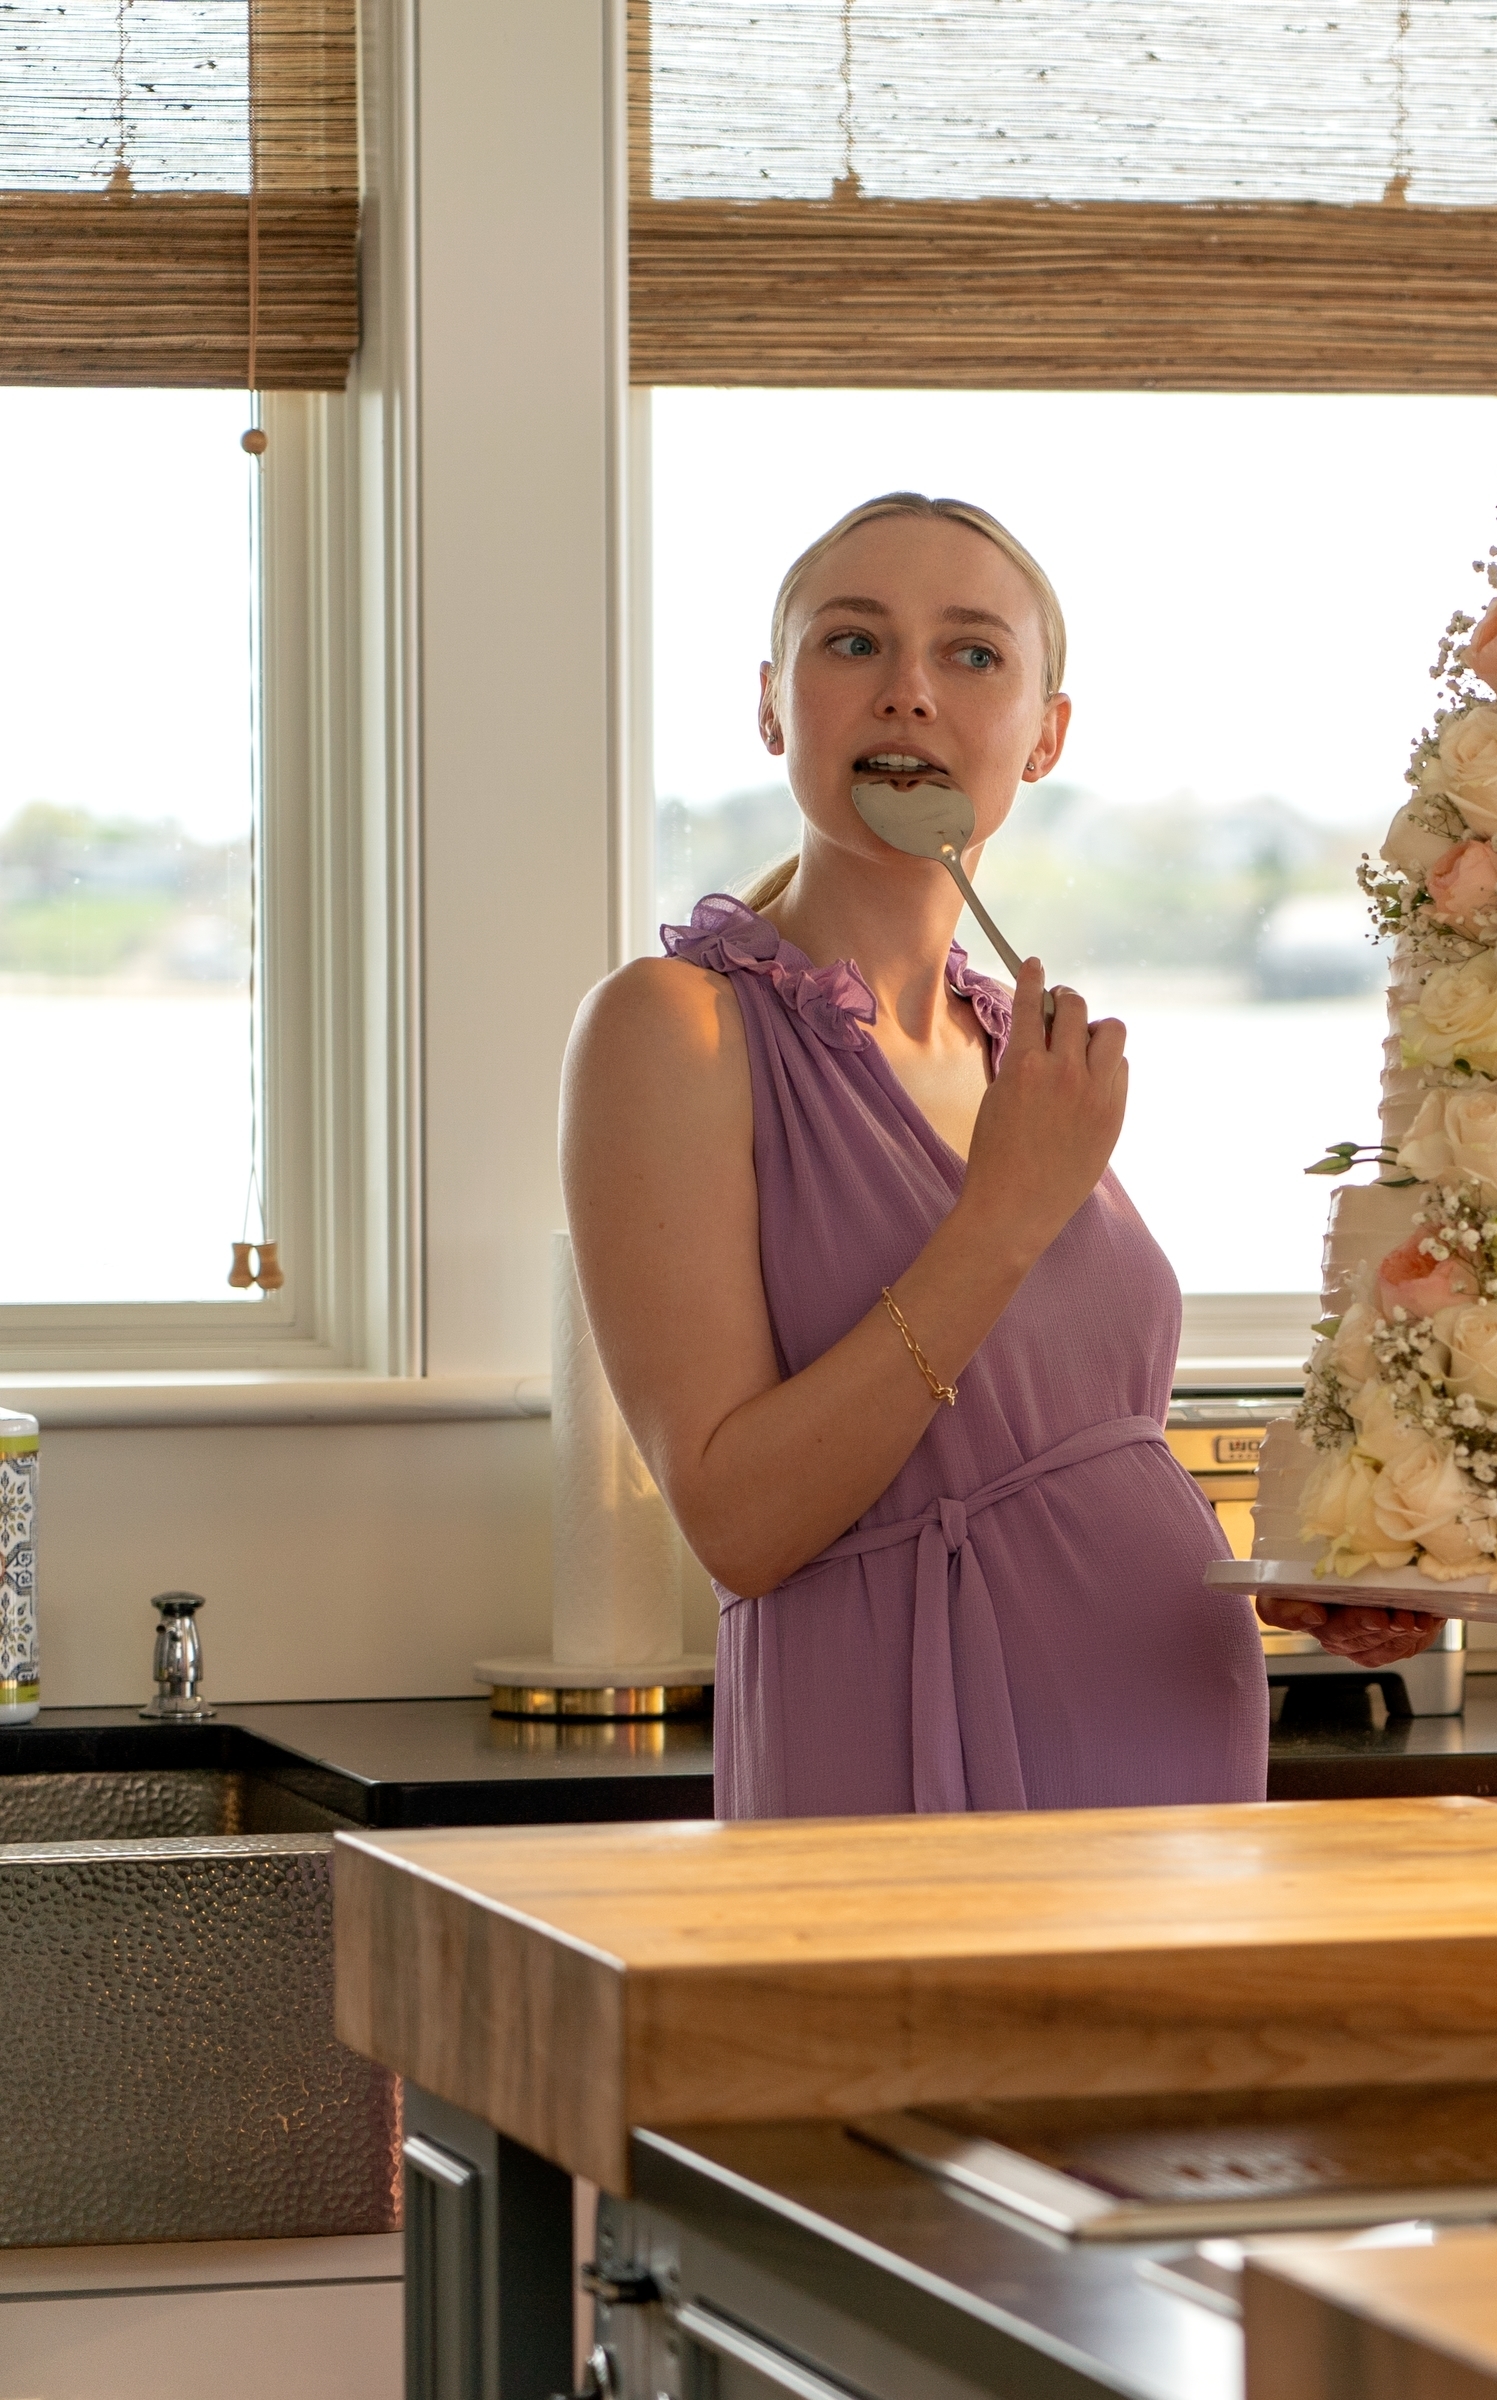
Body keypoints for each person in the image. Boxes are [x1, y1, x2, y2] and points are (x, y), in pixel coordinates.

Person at [562, 492, 1267, 1818]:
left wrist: (1311, 1583)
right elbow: (740, 1526)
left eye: (973, 653)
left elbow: (1073, 1448)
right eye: (852, 643)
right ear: (772, 705)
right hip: (888, 1768)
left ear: (1047, 735)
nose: (908, 692)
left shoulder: (1021, 1055)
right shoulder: (673, 1031)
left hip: (1169, 1773)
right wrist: (1002, 1216)